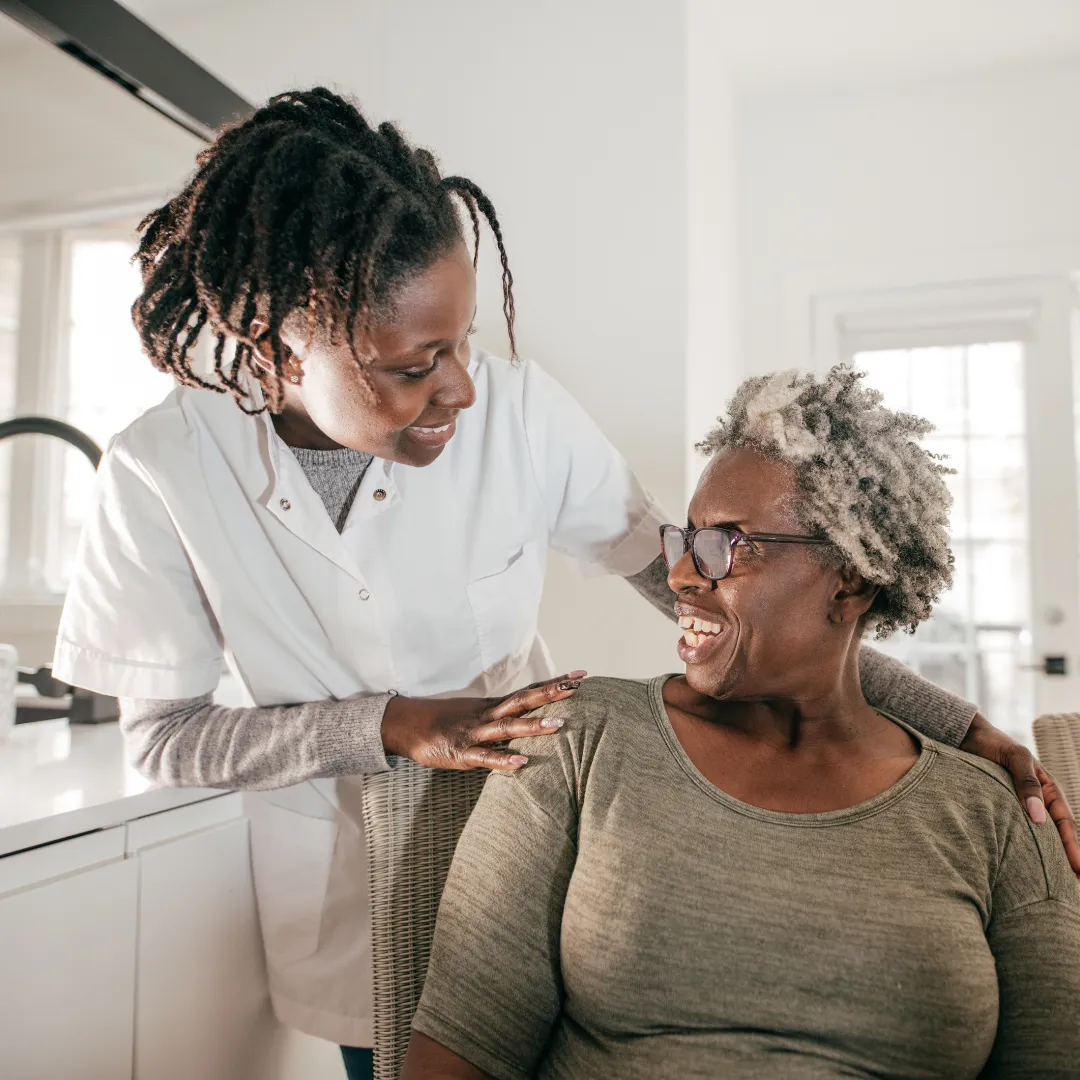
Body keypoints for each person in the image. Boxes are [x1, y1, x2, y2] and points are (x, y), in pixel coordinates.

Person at [51, 89, 1072, 1080]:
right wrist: (392, 724)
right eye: (413, 366)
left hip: (540, 852)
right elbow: (165, 735)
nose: (459, 388)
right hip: (345, 891)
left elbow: (722, 598)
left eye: (464, 344)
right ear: (283, 344)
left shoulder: (521, 418)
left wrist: (956, 723)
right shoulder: (162, 471)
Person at [404, 367, 1080, 1080]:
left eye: (728, 544)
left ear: (850, 580)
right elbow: (459, 1051)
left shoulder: (995, 815)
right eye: (685, 540)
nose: (681, 578)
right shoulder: (579, 739)